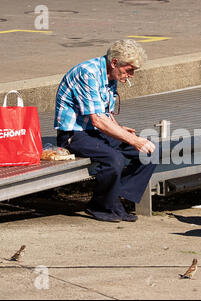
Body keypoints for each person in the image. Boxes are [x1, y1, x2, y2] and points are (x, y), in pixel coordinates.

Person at [54, 39, 156, 223]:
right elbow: (98, 120)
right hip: (74, 133)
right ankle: (100, 205)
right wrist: (133, 140)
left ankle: (114, 199)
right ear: (115, 63)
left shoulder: (112, 75)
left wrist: (119, 129)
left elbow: (105, 113)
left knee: (150, 153)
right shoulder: (88, 73)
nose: (131, 75)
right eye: (129, 69)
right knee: (114, 159)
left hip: (95, 130)